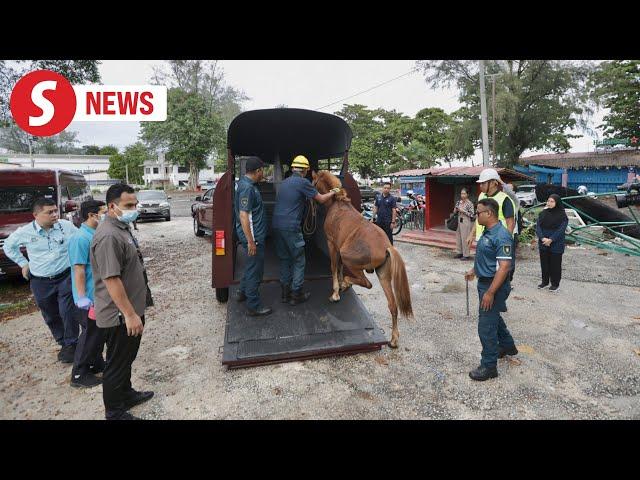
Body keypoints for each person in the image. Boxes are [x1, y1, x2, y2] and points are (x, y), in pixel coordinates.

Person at [91, 183, 154, 420]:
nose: (134, 209)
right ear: (112, 206)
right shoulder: (108, 235)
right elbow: (112, 279)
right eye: (129, 205)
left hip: (130, 309)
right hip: (119, 314)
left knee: (127, 357)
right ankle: (114, 411)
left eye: (135, 204)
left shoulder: (121, 226)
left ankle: (126, 394)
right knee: (117, 362)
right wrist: (129, 314)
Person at [3, 197, 79, 363]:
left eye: (55, 211)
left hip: (65, 276)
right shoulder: (25, 232)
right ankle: (64, 343)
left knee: (68, 311)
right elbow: (8, 246)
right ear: (36, 215)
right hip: (40, 281)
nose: (54, 214)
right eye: (49, 212)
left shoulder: (65, 226)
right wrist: (24, 264)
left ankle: (73, 344)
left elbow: (80, 240)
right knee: (51, 315)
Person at [272, 155, 339, 304]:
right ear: (305, 170)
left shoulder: (284, 182)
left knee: (284, 259)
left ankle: (285, 294)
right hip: (291, 226)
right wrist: (334, 191)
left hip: (276, 225)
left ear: (293, 168)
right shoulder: (303, 182)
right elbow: (321, 199)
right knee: (299, 260)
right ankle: (296, 294)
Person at [464, 198, 518, 381]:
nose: (476, 215)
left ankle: (489, 366)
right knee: (493, 316)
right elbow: (488, 258)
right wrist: (474, 270)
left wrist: (490, 292)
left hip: (493, 285)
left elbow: (503, 267)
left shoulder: (502, 235)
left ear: (489, 214)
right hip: (485, 281)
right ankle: (507, 346)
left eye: (478, 213)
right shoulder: (488, 231)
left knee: (486, 326)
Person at [69, 200, 107, 388]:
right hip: (88, 298)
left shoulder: (96, 233)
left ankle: (96, 362)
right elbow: (79, 269)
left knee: (99, 332)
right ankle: (79, 373)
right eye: (103, 212)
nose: (106, 215)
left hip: (98, 294)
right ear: (92, 215)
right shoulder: (81, 238)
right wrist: (82, 297)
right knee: (90, 335)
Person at [234, 157, 271, 315]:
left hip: (252, 236)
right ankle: (253, 306)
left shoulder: (244, 184)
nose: (263, 173)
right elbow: (244, 216)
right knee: (255, 270)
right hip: (253, 237)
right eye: (263, 170)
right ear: (257, 171)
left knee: (251, 266)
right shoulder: (248, 188)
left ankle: (242, 292)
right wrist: (251, 242)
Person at [467, 169, 517, 279]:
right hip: (483, 238)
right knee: (484, 264)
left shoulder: (505, 200)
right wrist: (472, 234)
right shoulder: (482, 196)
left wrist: (504, 241)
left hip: (497, 241)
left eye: (484, 183)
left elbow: (510, 223)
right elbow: (478, 217)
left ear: (494, 183)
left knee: (499, 268)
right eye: (480, 183)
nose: (481, 186)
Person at [536, 194, 568, 292]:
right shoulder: (543, 213)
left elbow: (561, 229)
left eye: (552, 201)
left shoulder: (562, 215)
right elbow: (538, 227)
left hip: (556, 243)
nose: (549, 203)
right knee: (544, 263)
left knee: (555, 264)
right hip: (543, 242)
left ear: (557, 203)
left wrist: (551, 239)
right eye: (548, 201)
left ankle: (555, 284)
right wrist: (542, 238)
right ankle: (545, 282)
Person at [454, 187, 475, 260]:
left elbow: (472, 215)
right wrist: (456, 210)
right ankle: (459, 252)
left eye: (464, 193)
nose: (462, 195)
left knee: (465, 238)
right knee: (458, 237)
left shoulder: (470, 203)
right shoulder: (458, 202)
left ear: (467, 194)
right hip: (459, 220)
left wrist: (463, 211)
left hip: (466, 221)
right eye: (461, 193)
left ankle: (466, 255)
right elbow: (454, 212)